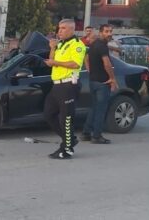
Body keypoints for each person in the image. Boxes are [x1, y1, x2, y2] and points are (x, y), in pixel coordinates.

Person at [43, 19, 86, 159]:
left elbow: (75, 64)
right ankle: (70, 140)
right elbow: (51, 62)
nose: (59, 31)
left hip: (68, 85)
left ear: (71, 30)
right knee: (49, 114)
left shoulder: (77, 45)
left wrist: (55, 62)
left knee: (66, 119)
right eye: (59, 28)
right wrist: (52, 48)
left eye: (63, 28)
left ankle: (67, 149)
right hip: (57, 84)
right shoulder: (60, 44)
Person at [82, 24, 118, 144]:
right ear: (101, 32)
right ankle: (97, 136)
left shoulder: (93, 45)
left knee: (94, 107)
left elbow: (86, 57)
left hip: (93, 81)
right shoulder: (102, 46)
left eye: (111, 31)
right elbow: (107, 64)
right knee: (100, 110)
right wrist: (112, 78)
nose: (109, 34)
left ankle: (86, 133)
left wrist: (89, 70)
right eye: (107, 31)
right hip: (102, 82)